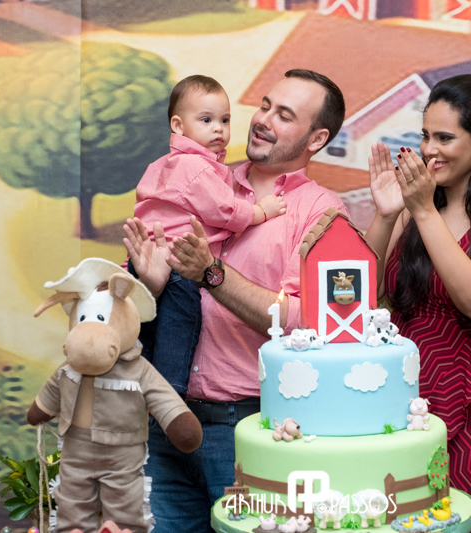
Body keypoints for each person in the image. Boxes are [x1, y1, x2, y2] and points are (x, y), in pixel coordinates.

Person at [122, 69, 348, 533]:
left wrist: (212, 275)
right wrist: (149, 282)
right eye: (265, 105)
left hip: (249, 428)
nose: (262, 120)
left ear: (317, 138)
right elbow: (139, 297)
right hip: (167, 420)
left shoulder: (323, 213)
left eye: (284, 115)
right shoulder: (198, 176)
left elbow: (312, 323)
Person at [364, 74, 471, 532]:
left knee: (470, 517)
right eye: (425, 136)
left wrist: (423, 210)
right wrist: (386, 215)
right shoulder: (413, 207)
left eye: (444, 137)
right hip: (404, 396)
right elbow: (361, 298)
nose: (429, 150)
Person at [129, 75, 286, 397]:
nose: (218, 129)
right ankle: (170, 402)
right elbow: (225, 211)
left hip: (147, 258)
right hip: (177, 263)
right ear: (178, 125)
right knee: (180, 328)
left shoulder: (164, 164)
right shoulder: (197, 167)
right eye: (206, 120)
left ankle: (141, 393)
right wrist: (262, 210)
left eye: (224, 120)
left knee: (145, 335)